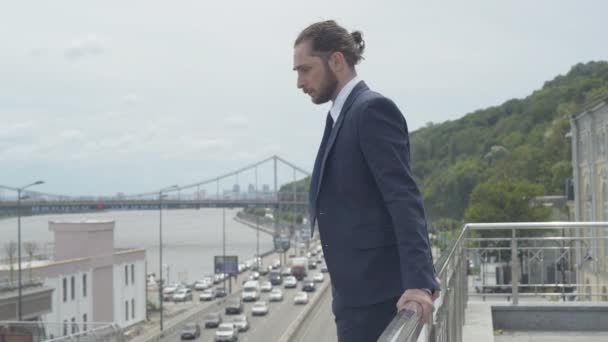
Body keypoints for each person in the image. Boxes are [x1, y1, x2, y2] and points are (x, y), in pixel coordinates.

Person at [293, 20, 440, 341]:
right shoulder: (341, 115)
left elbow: (403, 198)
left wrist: (418, 283)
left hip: (378, 296)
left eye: (305, 69)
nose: (299, 82)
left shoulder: (371, 109)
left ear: (336, 61)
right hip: (354, 295)